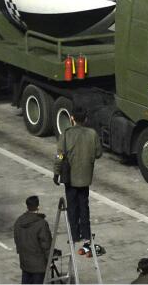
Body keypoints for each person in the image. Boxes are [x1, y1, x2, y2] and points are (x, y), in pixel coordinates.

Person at [54, 106, 102, 257]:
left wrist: (56, 171)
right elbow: (98, 153)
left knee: (72, 207)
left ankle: (74, 235)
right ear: (86, 119)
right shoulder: (92, 134)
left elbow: (60, 155)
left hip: (70, 178)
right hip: (85, 177)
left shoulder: (66, 134)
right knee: (84, 206)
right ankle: (86, 233)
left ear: (72, 118)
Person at [13, 195, 52, 284]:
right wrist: (49, 259)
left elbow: (17, 239)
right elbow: (46, 244)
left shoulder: (19, 221)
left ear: (27, 206)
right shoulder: (42, 223)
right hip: (38, 264)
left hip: (25, 262)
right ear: (38, 206)